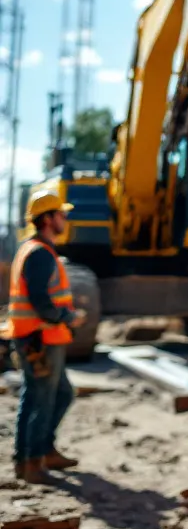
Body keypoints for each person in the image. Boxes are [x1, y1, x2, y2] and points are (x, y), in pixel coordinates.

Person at [2, 191, 84, 484]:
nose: (64, 218)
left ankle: (42, 451)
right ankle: (30, 462)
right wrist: (68, 317)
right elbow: (42, 302)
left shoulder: (37, 250)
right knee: (40, 398)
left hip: (40, 337)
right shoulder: (38, 253)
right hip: (40, 338)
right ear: (48, 219)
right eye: (61, 214)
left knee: (60, 394)